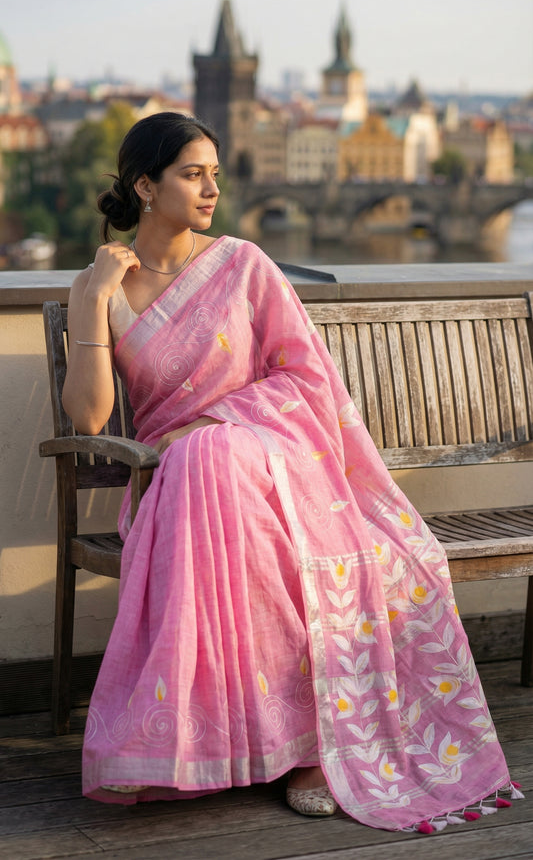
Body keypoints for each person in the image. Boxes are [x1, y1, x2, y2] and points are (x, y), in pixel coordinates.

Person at [63, 112, 521, 833]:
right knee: (207, 464)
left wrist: (211, 427)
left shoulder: (243, 265)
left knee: (222, 460)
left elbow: (306, 376)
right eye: (193, 173)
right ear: (144, 185)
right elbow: (89, 419)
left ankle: (310, 743)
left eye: (216, 172)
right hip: (172, 486)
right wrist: (91, 300)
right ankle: (245, 742)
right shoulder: (104, 285)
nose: (212, 187)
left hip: (276, 467)